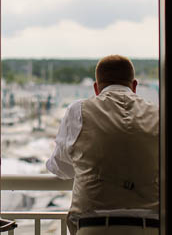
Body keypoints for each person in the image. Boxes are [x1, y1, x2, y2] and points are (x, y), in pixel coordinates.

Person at [46, 55, 159, 234]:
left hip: (94, 226)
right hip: (150, 227)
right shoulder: (159, 113)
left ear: (96, 88)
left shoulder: (78, 111)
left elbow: (61, 169)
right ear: (134, 86)